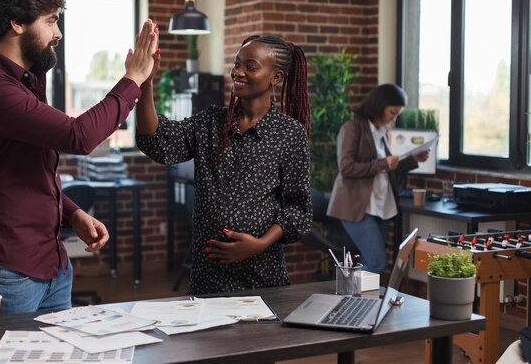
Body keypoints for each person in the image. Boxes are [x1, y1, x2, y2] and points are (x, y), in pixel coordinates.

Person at [0, 0, 157, 317]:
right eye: (50, 21)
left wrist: (72, 213)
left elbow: (31, 174)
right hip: (3, 267)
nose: (57, 33)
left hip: (51, 265)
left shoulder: (26, 81)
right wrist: (133, 78)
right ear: (17, 23)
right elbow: (78, 136)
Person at [136, 34, 313, 295]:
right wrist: (146, 82)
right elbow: (158, 141)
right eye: (236, 64)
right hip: (210, 278)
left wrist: (260, 244)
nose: (238, 72)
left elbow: (298, 209)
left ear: (275, 77)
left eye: (250, 67)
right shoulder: (210, 123)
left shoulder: (290, 134)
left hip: (262, 276)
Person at [327, 84, 429, 274]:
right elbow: (346, 167)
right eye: (392, 112)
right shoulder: (352, 129)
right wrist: (383, 164)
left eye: (397, 113)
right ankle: (345, 295)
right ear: (379, 106)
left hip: (380, 207)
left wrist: (413, 160)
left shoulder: (381, 133)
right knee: (377, 264)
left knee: (371, 263)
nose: (394, 118)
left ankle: (359, 302)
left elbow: (387, 169)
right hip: (356, 207)